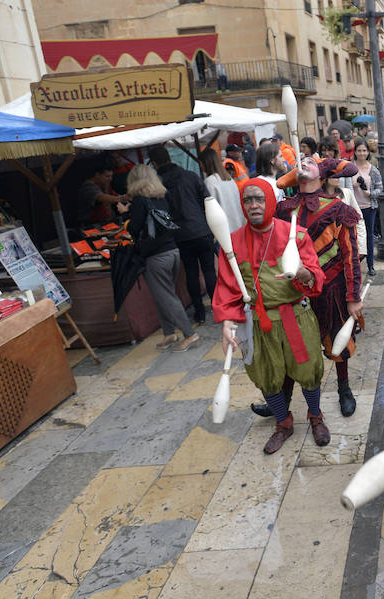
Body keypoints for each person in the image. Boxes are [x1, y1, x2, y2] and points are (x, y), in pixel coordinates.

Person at [213, 179, 329, 452]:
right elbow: (227, 286)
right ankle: (283, 423)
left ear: (270, 201)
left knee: (310, 369)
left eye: (258, 199)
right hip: (257, 321)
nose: (253, 205)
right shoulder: (232, 243)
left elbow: (316, 278)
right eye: (248, 200)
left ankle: (316, 416)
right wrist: (228, 324)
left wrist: (303, 273)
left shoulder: (296, 235)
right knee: (266, 374)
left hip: (296, 317)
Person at [273, 157, 365, 418]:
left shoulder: (338, 209)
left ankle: (344, 389)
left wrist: (353, 296)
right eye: (300, 162)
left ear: (323, 175)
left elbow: (350, 255)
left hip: (333, 288)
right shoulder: (282, 209)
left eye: (311, 162)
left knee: (338, 340)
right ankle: (282, 400)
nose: (304, 164)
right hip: (293, 288)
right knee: (292, 344)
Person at [123, 165, 199, 352]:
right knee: (163, 295)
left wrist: (125, 214)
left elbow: (134, 229)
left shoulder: (139, 201)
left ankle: (190, 334)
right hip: (172, 251)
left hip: (155, 257)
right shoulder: (161, 197)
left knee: (166, 297)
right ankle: (169, 333)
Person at [148, 145, 216, 328]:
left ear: (154, 163)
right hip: (201, 230)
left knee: (191, 273)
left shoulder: (158, 184)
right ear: (169, 157)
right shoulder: (191, 176)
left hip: (180, 235)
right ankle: (219, 308)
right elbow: (207, 201)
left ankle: (199, 313)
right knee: (209, 270)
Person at [352, 139, 383, 276]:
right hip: (353, 208)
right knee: (354, 236)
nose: (362, 153)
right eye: (359, 150)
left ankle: (370, 265)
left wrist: (370, 193)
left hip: (369, 207)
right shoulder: (349, 168)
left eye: (364, 150)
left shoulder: (373, 169)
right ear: (355, 152)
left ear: (368, 152)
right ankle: (355, 264)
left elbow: (380, 189)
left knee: (369, 236)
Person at [198, 148, 244, 233]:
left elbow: (211, 211)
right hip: (238, 225)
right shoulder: (229, 179)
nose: (200, 166)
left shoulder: (210, 182)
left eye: (201, 163)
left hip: (224, 231)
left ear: (206, 163)